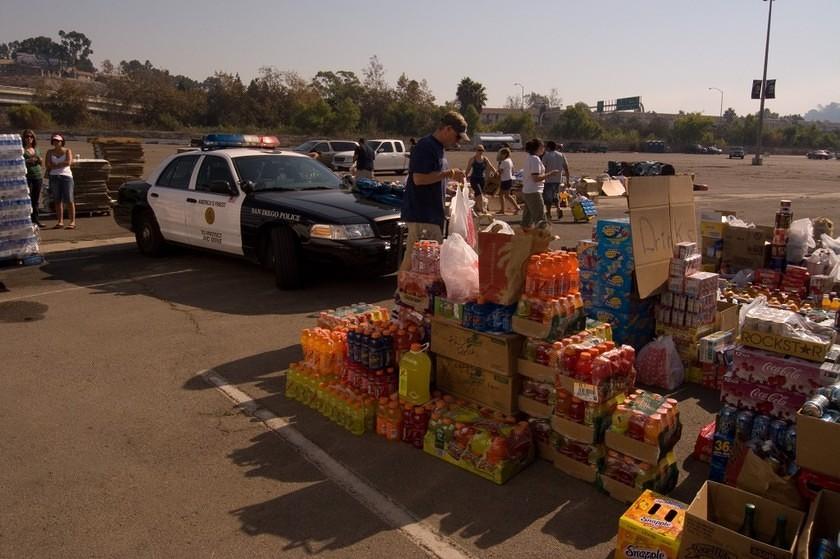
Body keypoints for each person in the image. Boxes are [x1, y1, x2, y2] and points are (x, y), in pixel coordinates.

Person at [400, 111, 469, 271]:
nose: (457, 142)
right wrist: (449, 173)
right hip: (422, 215)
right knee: (418, 263)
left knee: (424, 264)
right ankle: (404, 293)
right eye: (457, 137)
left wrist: (449, 190)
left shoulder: (438, 149)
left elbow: (433, 178)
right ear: (448, 129)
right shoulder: (426, 146)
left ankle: (409, 293)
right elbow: (419, 179)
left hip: (431, 215)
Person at [521, 138, 560, 230]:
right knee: (540, 219)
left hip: (528, 191)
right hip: (534, 192)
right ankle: (542, 240)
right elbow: (536, 178)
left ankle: (523, 238)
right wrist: (550, 174)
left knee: (527, 219)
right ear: (538, 147)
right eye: (542, 146)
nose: (544, 149)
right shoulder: (535, 159)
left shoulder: (530, 158)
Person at [44, 133, 75, 229]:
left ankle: (72, 221)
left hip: (66, 176)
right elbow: (47, 164)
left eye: (58, 141)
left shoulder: (67, 151)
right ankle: (60, 221)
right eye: (54, 140)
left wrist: (55, 165)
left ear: (62, 142)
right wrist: (59, 164)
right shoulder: (49, 152)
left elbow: (68, 162)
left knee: (69, 199)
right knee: (57, 200)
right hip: (54, 177)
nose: (56, 142)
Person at [541, 140, 571, 221]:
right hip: (558, 180)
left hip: (548, 179)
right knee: (555, 195)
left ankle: (549, 213)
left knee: (548, 198)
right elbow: (566, 168)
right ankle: (558, 208)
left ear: (548, 147)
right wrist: (567, 181)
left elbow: (542, 168)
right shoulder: (561, 155)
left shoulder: (546, 156)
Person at [21, 129, 45, 227]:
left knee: (35, 199)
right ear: (24, 138)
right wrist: (27, 161)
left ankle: (36, 220)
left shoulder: (37, 149)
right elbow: (19, 162)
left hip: (37, 176)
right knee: (27, 198)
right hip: (27, 176)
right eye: (27, 136)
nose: (29, 138)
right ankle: (27, 220)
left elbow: (41, 163)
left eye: (31, 136)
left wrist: (39, 159)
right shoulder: (21, 149)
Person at [464, 145, 496, 215]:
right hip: (474, 179)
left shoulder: (485, 159)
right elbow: (468, 169)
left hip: (482, 179)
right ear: (476, 150)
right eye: (479, 150)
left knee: (477, 194)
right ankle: (482, 209)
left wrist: (495, 172)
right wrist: (464, 177)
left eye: (482, 150)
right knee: (479, 193)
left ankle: (475, 208)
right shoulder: (472, 159)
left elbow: (491, 166)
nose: (480, 152)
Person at [496, 147, 520, 215]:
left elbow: (500, 171)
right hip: (509, 179)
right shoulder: (509, 160)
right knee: (502, 195)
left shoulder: (504, 162)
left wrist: (496, 174)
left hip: (505, 180)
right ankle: (502, 209)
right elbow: (513, 170)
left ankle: (516, 207)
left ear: (505, 154)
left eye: (502, 154)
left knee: (506, 195)